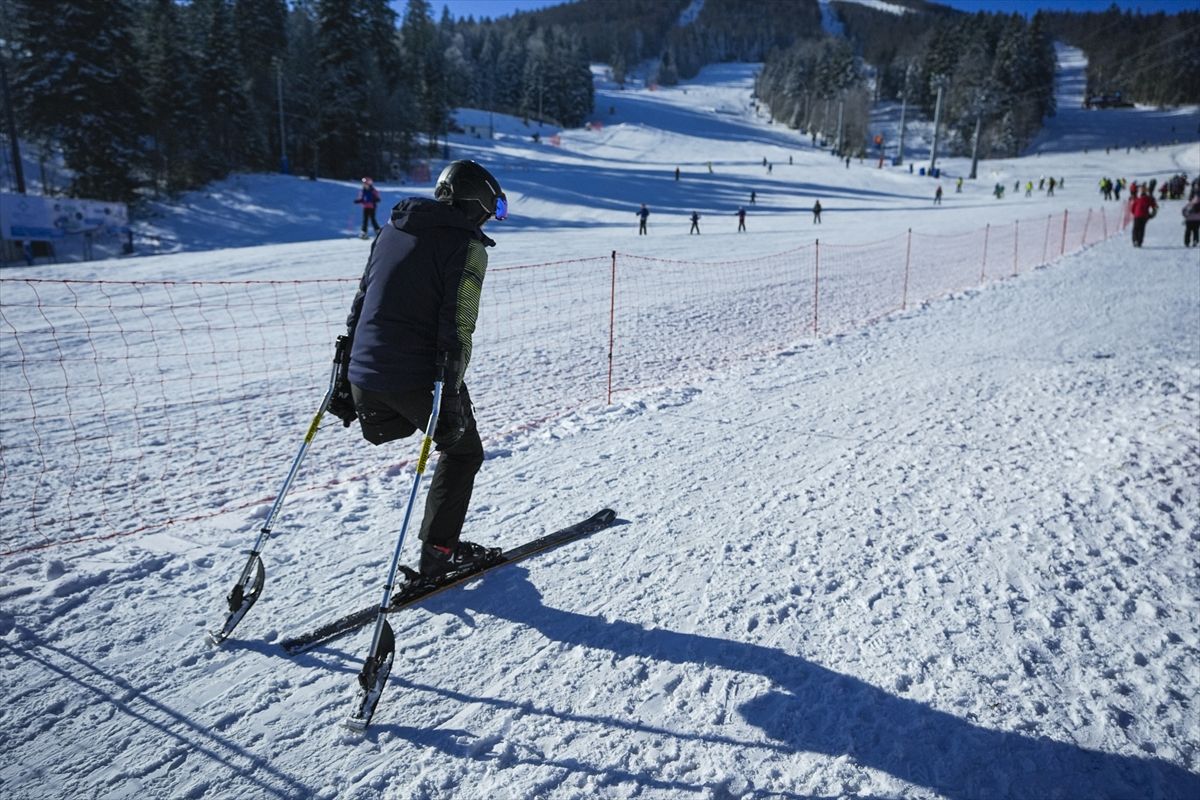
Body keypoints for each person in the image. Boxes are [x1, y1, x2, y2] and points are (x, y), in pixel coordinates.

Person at [334, 159, 507, 578]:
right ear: (478, 202)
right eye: (495, 208)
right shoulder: (466, 245)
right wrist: (452, 394)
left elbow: (362, 304)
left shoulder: (390, 230)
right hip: (414, 379)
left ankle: (440, 547)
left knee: (427, 433)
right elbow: (459, 326)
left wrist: (343, 372)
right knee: (463, 451)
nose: (493, 218)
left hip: (362, 377)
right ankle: (439, 554)